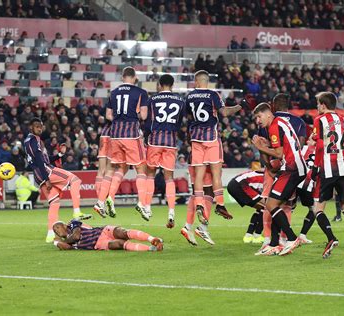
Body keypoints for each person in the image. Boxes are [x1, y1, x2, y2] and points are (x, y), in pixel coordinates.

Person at [184, 70, 241, 243]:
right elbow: (224, 113)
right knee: (216, 174)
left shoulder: (190, 96)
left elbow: (188, 116)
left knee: (200, 175)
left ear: (196, 81)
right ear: (206, 81)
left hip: (195, 139)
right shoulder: (212, 94)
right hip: (211, 138)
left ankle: (200, 205)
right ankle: (221, 204)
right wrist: (238, 107)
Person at [94, 67, 150, 220]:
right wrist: (131, 115)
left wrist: (120, 118)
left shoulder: (114, 92)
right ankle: (142, 203)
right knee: (141, 169)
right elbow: (144, 116)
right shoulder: (141, 92)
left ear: (123, 77)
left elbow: (108, 115)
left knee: (113, 168)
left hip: (115, 135)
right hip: (131, 134)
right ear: (134, 77)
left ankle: (101, 201)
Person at [24, 118, 91, 243]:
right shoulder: (34, 140)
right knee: (75, 180)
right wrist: (47, 178)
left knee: (54, 203)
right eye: (37, 126)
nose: (39, 128)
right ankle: (76, 212)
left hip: (38, 175)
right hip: (45, 171)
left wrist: (59, 155)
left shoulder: (29, 141)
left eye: (41, 126)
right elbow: (39, 160)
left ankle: (50, 234)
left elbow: (44, 158)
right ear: (31, 128)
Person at [251, 103, 307, 256]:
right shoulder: (281, 122)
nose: (258, 121)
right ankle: (275, 244)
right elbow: (285, 145)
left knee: (271, 203)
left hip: (292, 168)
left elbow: (279, 153)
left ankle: (291, 238)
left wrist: (259, 147)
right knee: (276, 204)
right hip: (295, 167)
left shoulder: (274, 126)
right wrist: (267, 143)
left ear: (268, 114)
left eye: (259, 117)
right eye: (256, 118)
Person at [310, 92, 344, 258]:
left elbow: (318, 146)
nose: (317, 107)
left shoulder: (319, 120)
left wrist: (316, 168)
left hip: (328, 168)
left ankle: (331, 238)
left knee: (318, 208)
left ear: (323, 105)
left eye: (318, 104)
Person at [144, 74, 185, 228]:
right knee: (169, 178)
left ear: (160, 85)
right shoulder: (180, 100)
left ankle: (147, 208)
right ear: (172, 85)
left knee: (150, 174)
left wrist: (147, 134)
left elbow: (148, 122)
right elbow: (180, 121)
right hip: (171, 141)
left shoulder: (152, 100)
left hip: (155, 140)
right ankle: (171, 212)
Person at [52, 220, 163, 252]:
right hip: (99, 244)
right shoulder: (66, 241)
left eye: (57, 227)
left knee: (122, 233)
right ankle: (151, 248)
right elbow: (66, 247)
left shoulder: (73, 224)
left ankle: (152, 239)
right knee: (119, 244)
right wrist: (56, 243)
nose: (56, 231)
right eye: (54, 231)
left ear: (64, 225)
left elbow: (76, 237)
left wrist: (62, 241)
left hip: (103, 231)